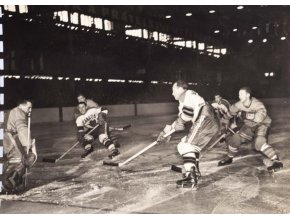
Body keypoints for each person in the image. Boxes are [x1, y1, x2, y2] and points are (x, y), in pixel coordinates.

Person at [157, 80, 219, 189]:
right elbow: (181, 119)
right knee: (187, 145)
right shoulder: (188, 98)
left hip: (204, 119)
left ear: (180, 89)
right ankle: (195, 171)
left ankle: (190, 176)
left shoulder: (186, 95)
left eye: (173, 90)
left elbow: (187, 115)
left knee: (185, 146)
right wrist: (167, 132)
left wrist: (179, 122)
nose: (172, 93)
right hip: (211, 122)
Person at [218, 87, 283, 172]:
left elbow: (259, 118)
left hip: (262, 124)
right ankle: (229, 158)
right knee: (235, 138)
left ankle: (276, 161)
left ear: (248, 95)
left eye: (241, 94)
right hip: (249, 125)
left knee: (258, 143)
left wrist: (244, 114)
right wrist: (223, 125)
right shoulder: (238, 105)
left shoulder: (258, 104)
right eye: (239, 94)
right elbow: (228, 115)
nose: (239, 96)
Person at [1, 99, 37, 194]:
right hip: (8, 137)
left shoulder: (13, 111)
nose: (30, 110)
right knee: (20, 160)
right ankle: (6, 185)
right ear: (21, 105)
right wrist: (28, 146)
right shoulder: (19, 113)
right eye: (29, 107)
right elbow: (22, 129)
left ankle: (7, 181)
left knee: (9, 161)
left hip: (5, 136)